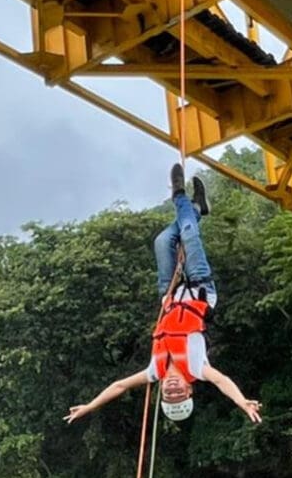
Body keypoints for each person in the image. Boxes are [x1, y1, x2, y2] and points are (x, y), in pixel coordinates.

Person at [64, 164, 262, 425]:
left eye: (169, 394)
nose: (172, 388)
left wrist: (89, 406)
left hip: (168, 295)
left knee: (162, 241)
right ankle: (179, 196)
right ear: (189, 389)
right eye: (178, 392)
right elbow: (221, 381)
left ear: (162, 394)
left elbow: (119, 386)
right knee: (189, 235)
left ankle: (195, 209)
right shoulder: (196, 369)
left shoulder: (154, 371)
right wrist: (241, 401)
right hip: (200, 292)